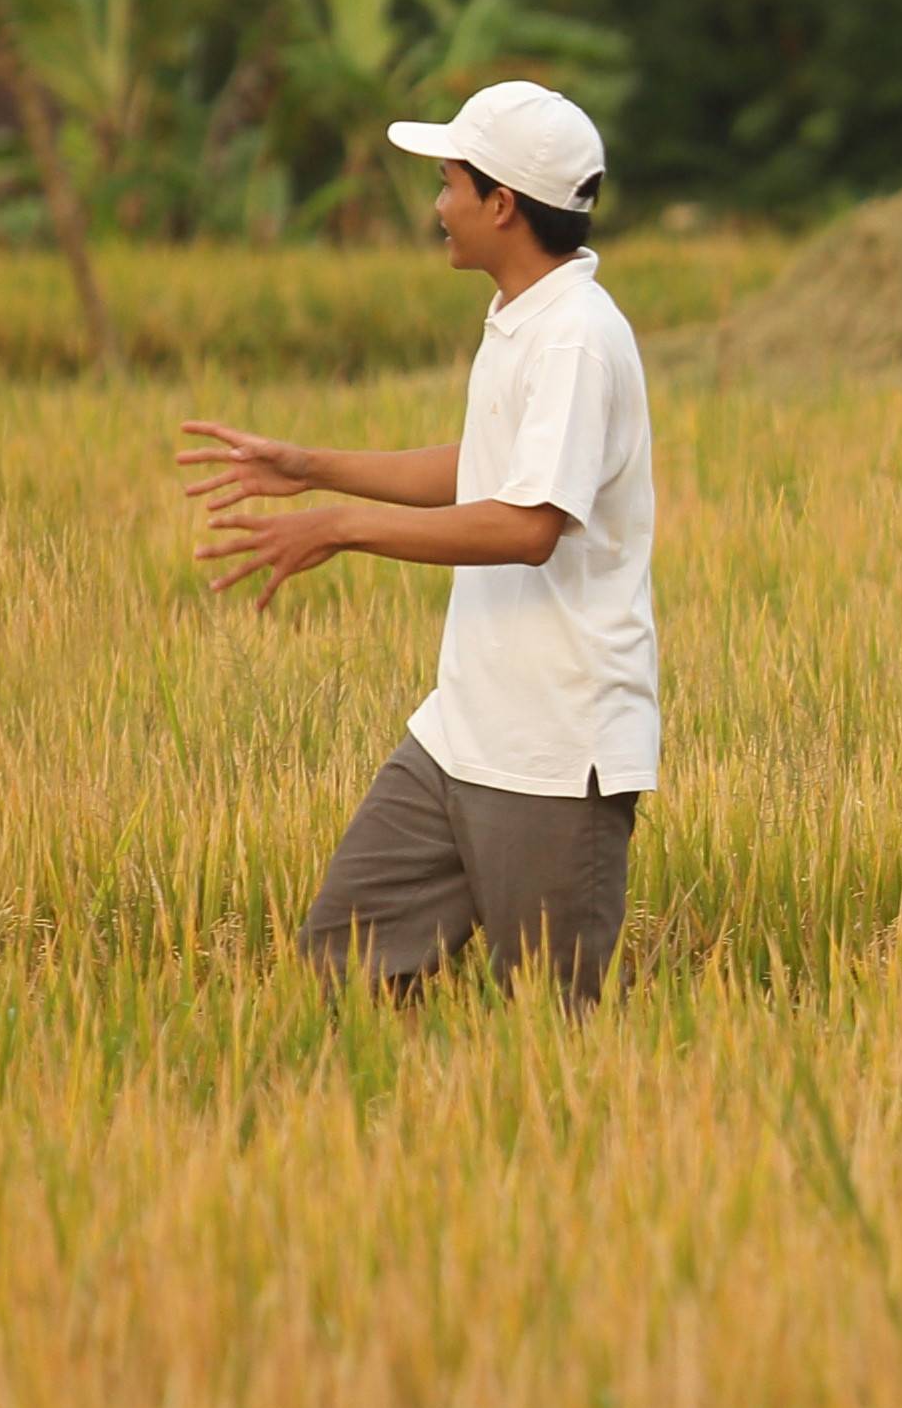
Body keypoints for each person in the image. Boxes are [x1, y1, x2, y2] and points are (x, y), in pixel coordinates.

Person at [178, 79, 659, 996]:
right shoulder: (527, 319)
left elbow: (527, 526)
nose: (438, 208)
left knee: (555, 1025)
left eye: (447, 184)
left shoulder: (574, 340)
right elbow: (489, 469)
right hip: (460, 731)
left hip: (554, 748)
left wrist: (342, 528)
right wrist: (312, 465)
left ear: (502, 204)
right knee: (345, 967)